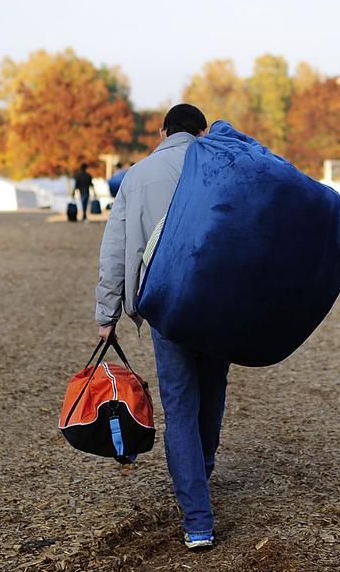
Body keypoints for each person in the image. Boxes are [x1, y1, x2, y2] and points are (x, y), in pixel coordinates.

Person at [94, 104, 227, 551]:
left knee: (181, 405)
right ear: (203, 131)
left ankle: (197, 520)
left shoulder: (137, 175)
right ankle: (199, 475)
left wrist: (107, 314)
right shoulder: (221, 167)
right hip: (217, 302)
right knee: (212, 395)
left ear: (163, 130)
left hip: (165, 303)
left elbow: (115, 249)